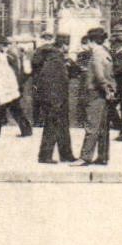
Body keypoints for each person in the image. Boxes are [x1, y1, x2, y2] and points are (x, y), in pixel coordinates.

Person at [34, 34, 75, 163]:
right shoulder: (55, 59)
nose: (67, 48)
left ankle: (66, 154)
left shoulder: (54, 57)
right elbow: (52, 80)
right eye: (67, 45)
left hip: (57, 96)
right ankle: (45, 156)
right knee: (52, 125)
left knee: (62, 126)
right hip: (55, 98)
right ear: (63, 45)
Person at [77, 28, 115, 166]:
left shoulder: (96, 54)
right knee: (103, 126)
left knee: (92, 126)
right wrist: (110, 90)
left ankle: (85, 157)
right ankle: (103, 156)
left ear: (90, 41)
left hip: (95, 93)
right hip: (104, 94)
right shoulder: (105, 52)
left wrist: (105, 88)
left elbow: (99, 75)